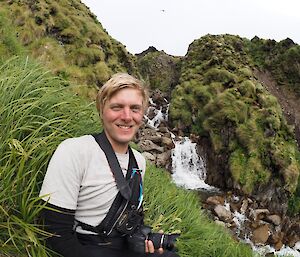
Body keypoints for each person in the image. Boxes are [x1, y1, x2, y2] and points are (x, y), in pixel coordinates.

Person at [39, 73, 180, 257]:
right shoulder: (74, 151)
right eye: (117, 107)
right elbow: (55, 233)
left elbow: (130, 218)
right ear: (102, 109)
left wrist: (144, 241)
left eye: (135, 108)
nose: (127, 116)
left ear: (143, 114)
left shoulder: (139, 162)